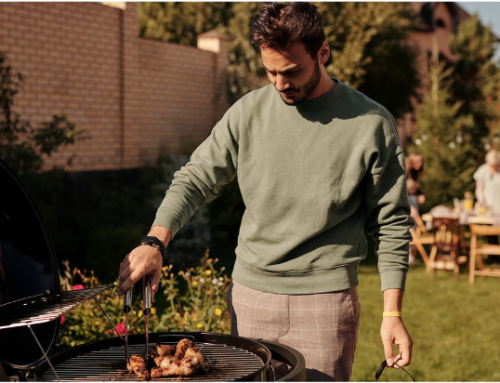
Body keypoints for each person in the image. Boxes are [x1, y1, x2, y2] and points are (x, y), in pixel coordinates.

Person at [118, 1, 413, 381]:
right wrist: (155, 241)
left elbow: (392, 224)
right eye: (270, 70)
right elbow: (195, 178)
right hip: (250, 297)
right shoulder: (248, 113)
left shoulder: (370, 123)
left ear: (322, 52)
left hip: (324, 304)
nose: (279, 83)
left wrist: (392, 314)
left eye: (291, 71)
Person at [473, 149, 500, 262]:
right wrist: (481, 200)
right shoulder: (482, 171)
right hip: (488, 205)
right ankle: (493, 257)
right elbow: (479, 189)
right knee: (490, 231)